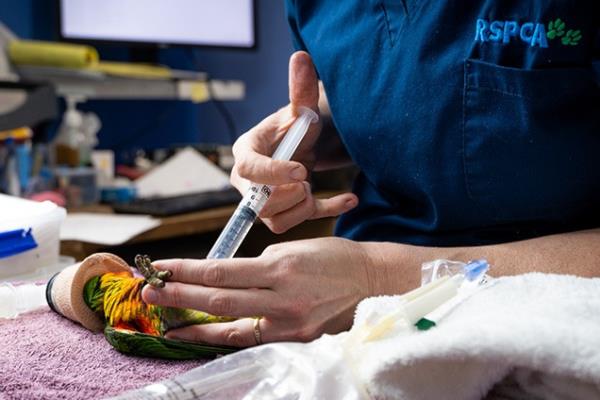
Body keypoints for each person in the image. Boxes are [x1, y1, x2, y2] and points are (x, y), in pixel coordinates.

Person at [142, 1, 600, 347]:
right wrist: (301, 136)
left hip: (547, 314)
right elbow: (407, 89)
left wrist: (376, 279)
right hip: (344, 316)